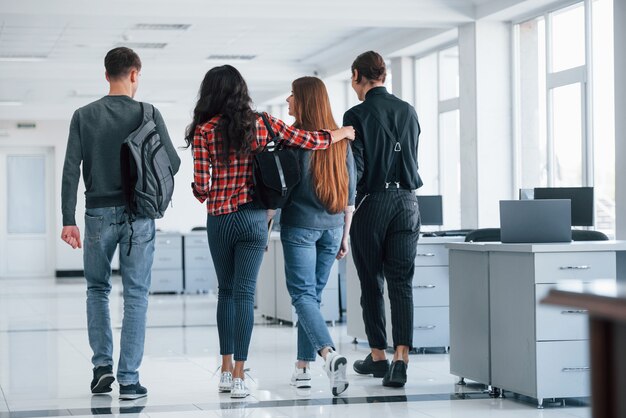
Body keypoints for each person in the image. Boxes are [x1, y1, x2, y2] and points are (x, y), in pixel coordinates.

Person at [185, 65, 354, 399]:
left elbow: (202, 187)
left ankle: (223, 368)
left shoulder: (203, 131)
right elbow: (312, 140)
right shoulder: (261, 123)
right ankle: (238, 378)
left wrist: (202, 189)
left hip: (220, 219)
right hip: (252, 220)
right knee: (246, 294)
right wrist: (342, 133)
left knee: (226, 292)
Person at [61, 47, 181, 399]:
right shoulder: (148, 112)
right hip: (139, 217)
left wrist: (68, 220)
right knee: (136, 296)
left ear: (105, 74)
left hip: (96, 215)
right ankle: (129, 379)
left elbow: (71, 170)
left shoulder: (83, 115)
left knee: (97, 290)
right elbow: (172, 162)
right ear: (134, 74)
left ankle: (101, 368)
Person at [342, 51, 422, 388]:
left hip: (372, 203)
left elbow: (355, 167)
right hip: (407, 203)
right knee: (402, 282)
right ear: (384, 75)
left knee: (372, 282)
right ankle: (400, 358)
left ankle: (377, 356)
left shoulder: (356, 114)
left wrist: (346, 205)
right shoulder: (408, 110)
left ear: (358, 75)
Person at [280, 76, 356, 396]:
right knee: (312, 298)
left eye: (293, 95)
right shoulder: (342, 140)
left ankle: (327, 354)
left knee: (303, 298)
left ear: (305, 101)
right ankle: (301, 368)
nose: (287, 100)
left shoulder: (295, 142)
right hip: (334, 226)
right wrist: (345, 236)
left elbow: (284, 188)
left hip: (300, 226)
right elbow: (351, 193)